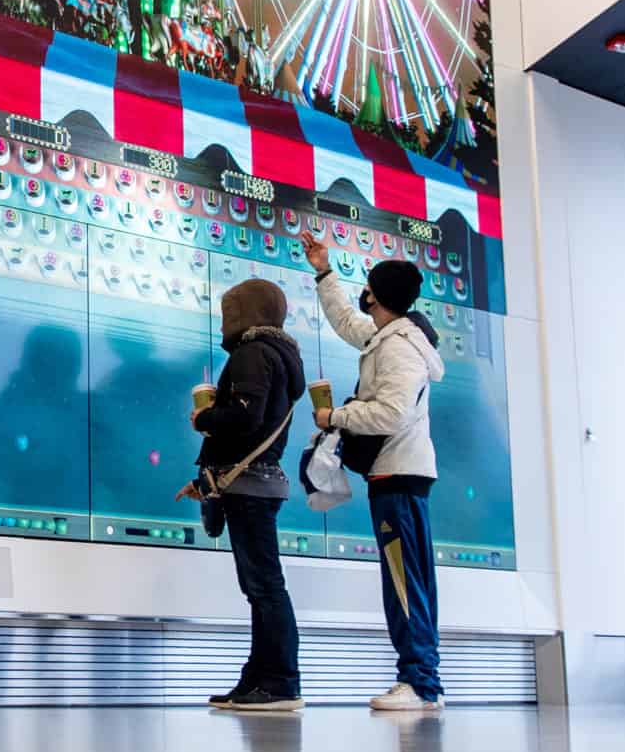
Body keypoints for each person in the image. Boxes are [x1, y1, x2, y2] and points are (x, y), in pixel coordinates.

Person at [305, 237, 448, 712]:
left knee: (404, 583)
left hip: (398, 475)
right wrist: (324, 272)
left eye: (367, 287)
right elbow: (347, 322)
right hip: (400, 474)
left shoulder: (400, 349)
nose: (363, 295)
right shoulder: (390, 336)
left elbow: (390, 413)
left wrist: (336, 417)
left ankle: (419, 682)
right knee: (411, 580)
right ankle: (424, 680)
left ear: (377, 295)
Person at [183, 277, 306, 713]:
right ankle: (259, 678)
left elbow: (245, 418)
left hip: (249, 487)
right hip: (260, 482)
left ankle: (280, 682)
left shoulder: (253, 353)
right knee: (261, 587)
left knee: (265, 587)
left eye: (228, 312)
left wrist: (204, 418)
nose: (223, 323)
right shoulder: (281, 356)